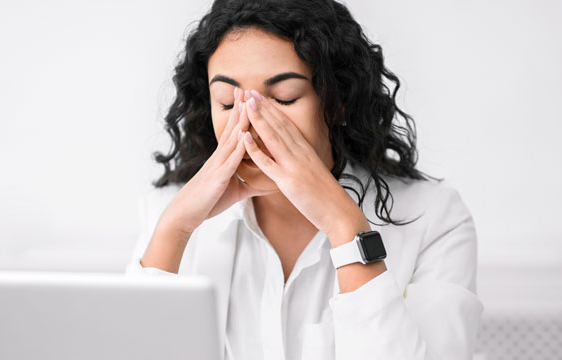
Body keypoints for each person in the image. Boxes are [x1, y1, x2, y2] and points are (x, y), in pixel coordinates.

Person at [125, 0, 483, 359]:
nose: (251, 124)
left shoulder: (435, 218)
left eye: (284, 98)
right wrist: (173, 231)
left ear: (338, 100)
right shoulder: (165, 214)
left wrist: (346, 228)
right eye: (228, 103)